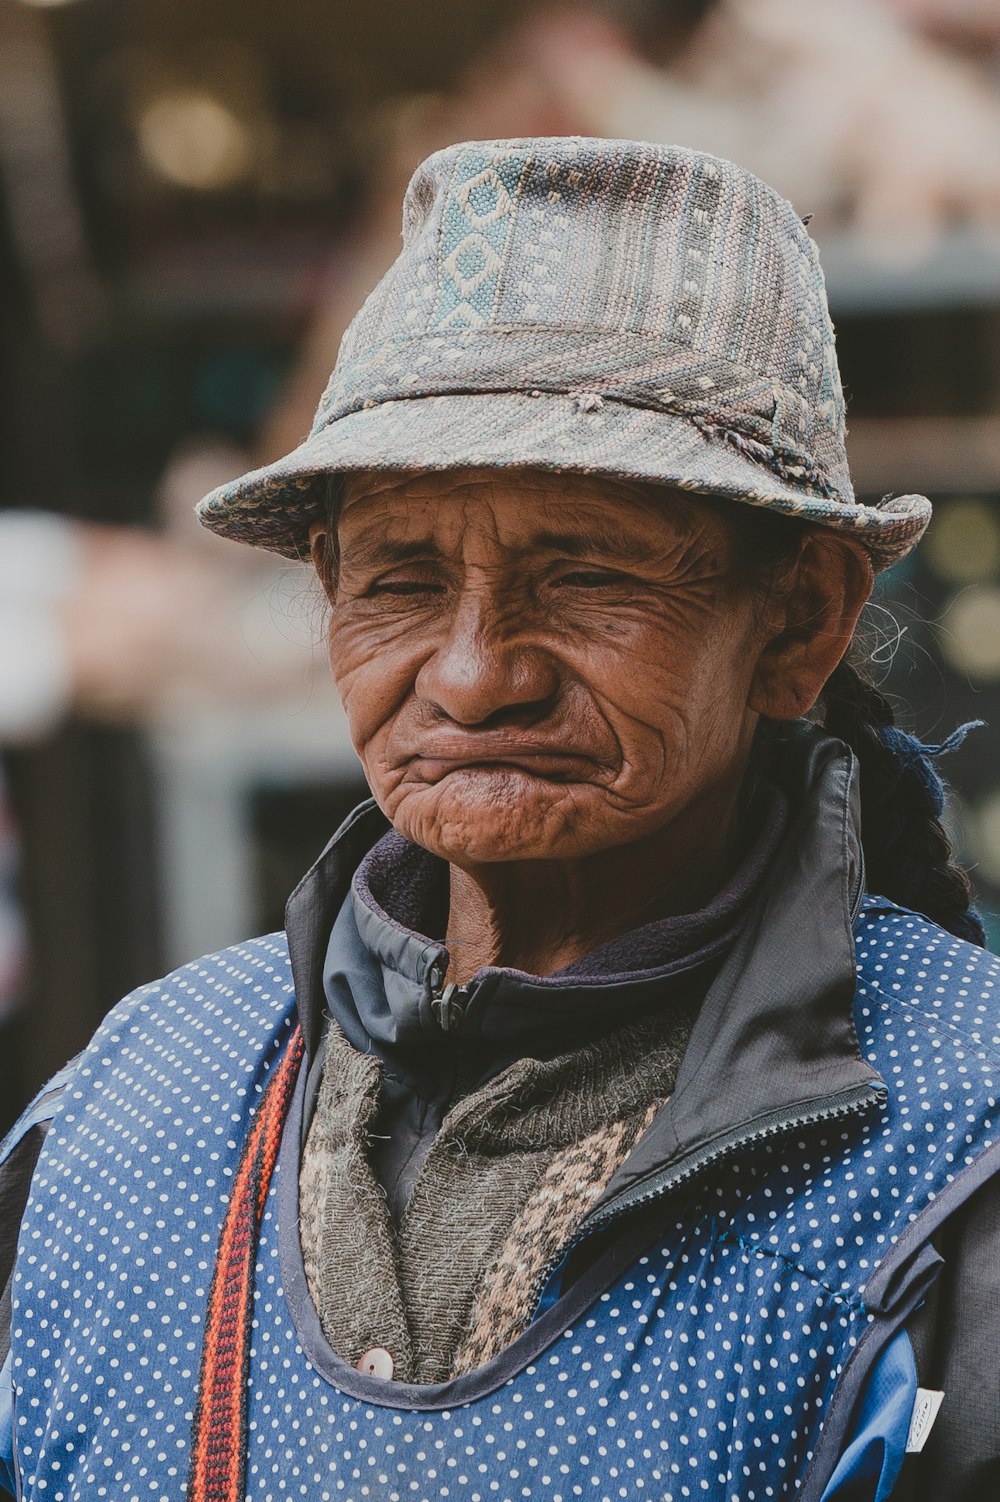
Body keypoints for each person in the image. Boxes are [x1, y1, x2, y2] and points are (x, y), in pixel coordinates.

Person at [2, 138, 998, 1502]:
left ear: (801, 618)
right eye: (401, 579)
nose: (475, 673)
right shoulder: (133, 1109)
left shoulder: (958, 1149)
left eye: (583, 574)